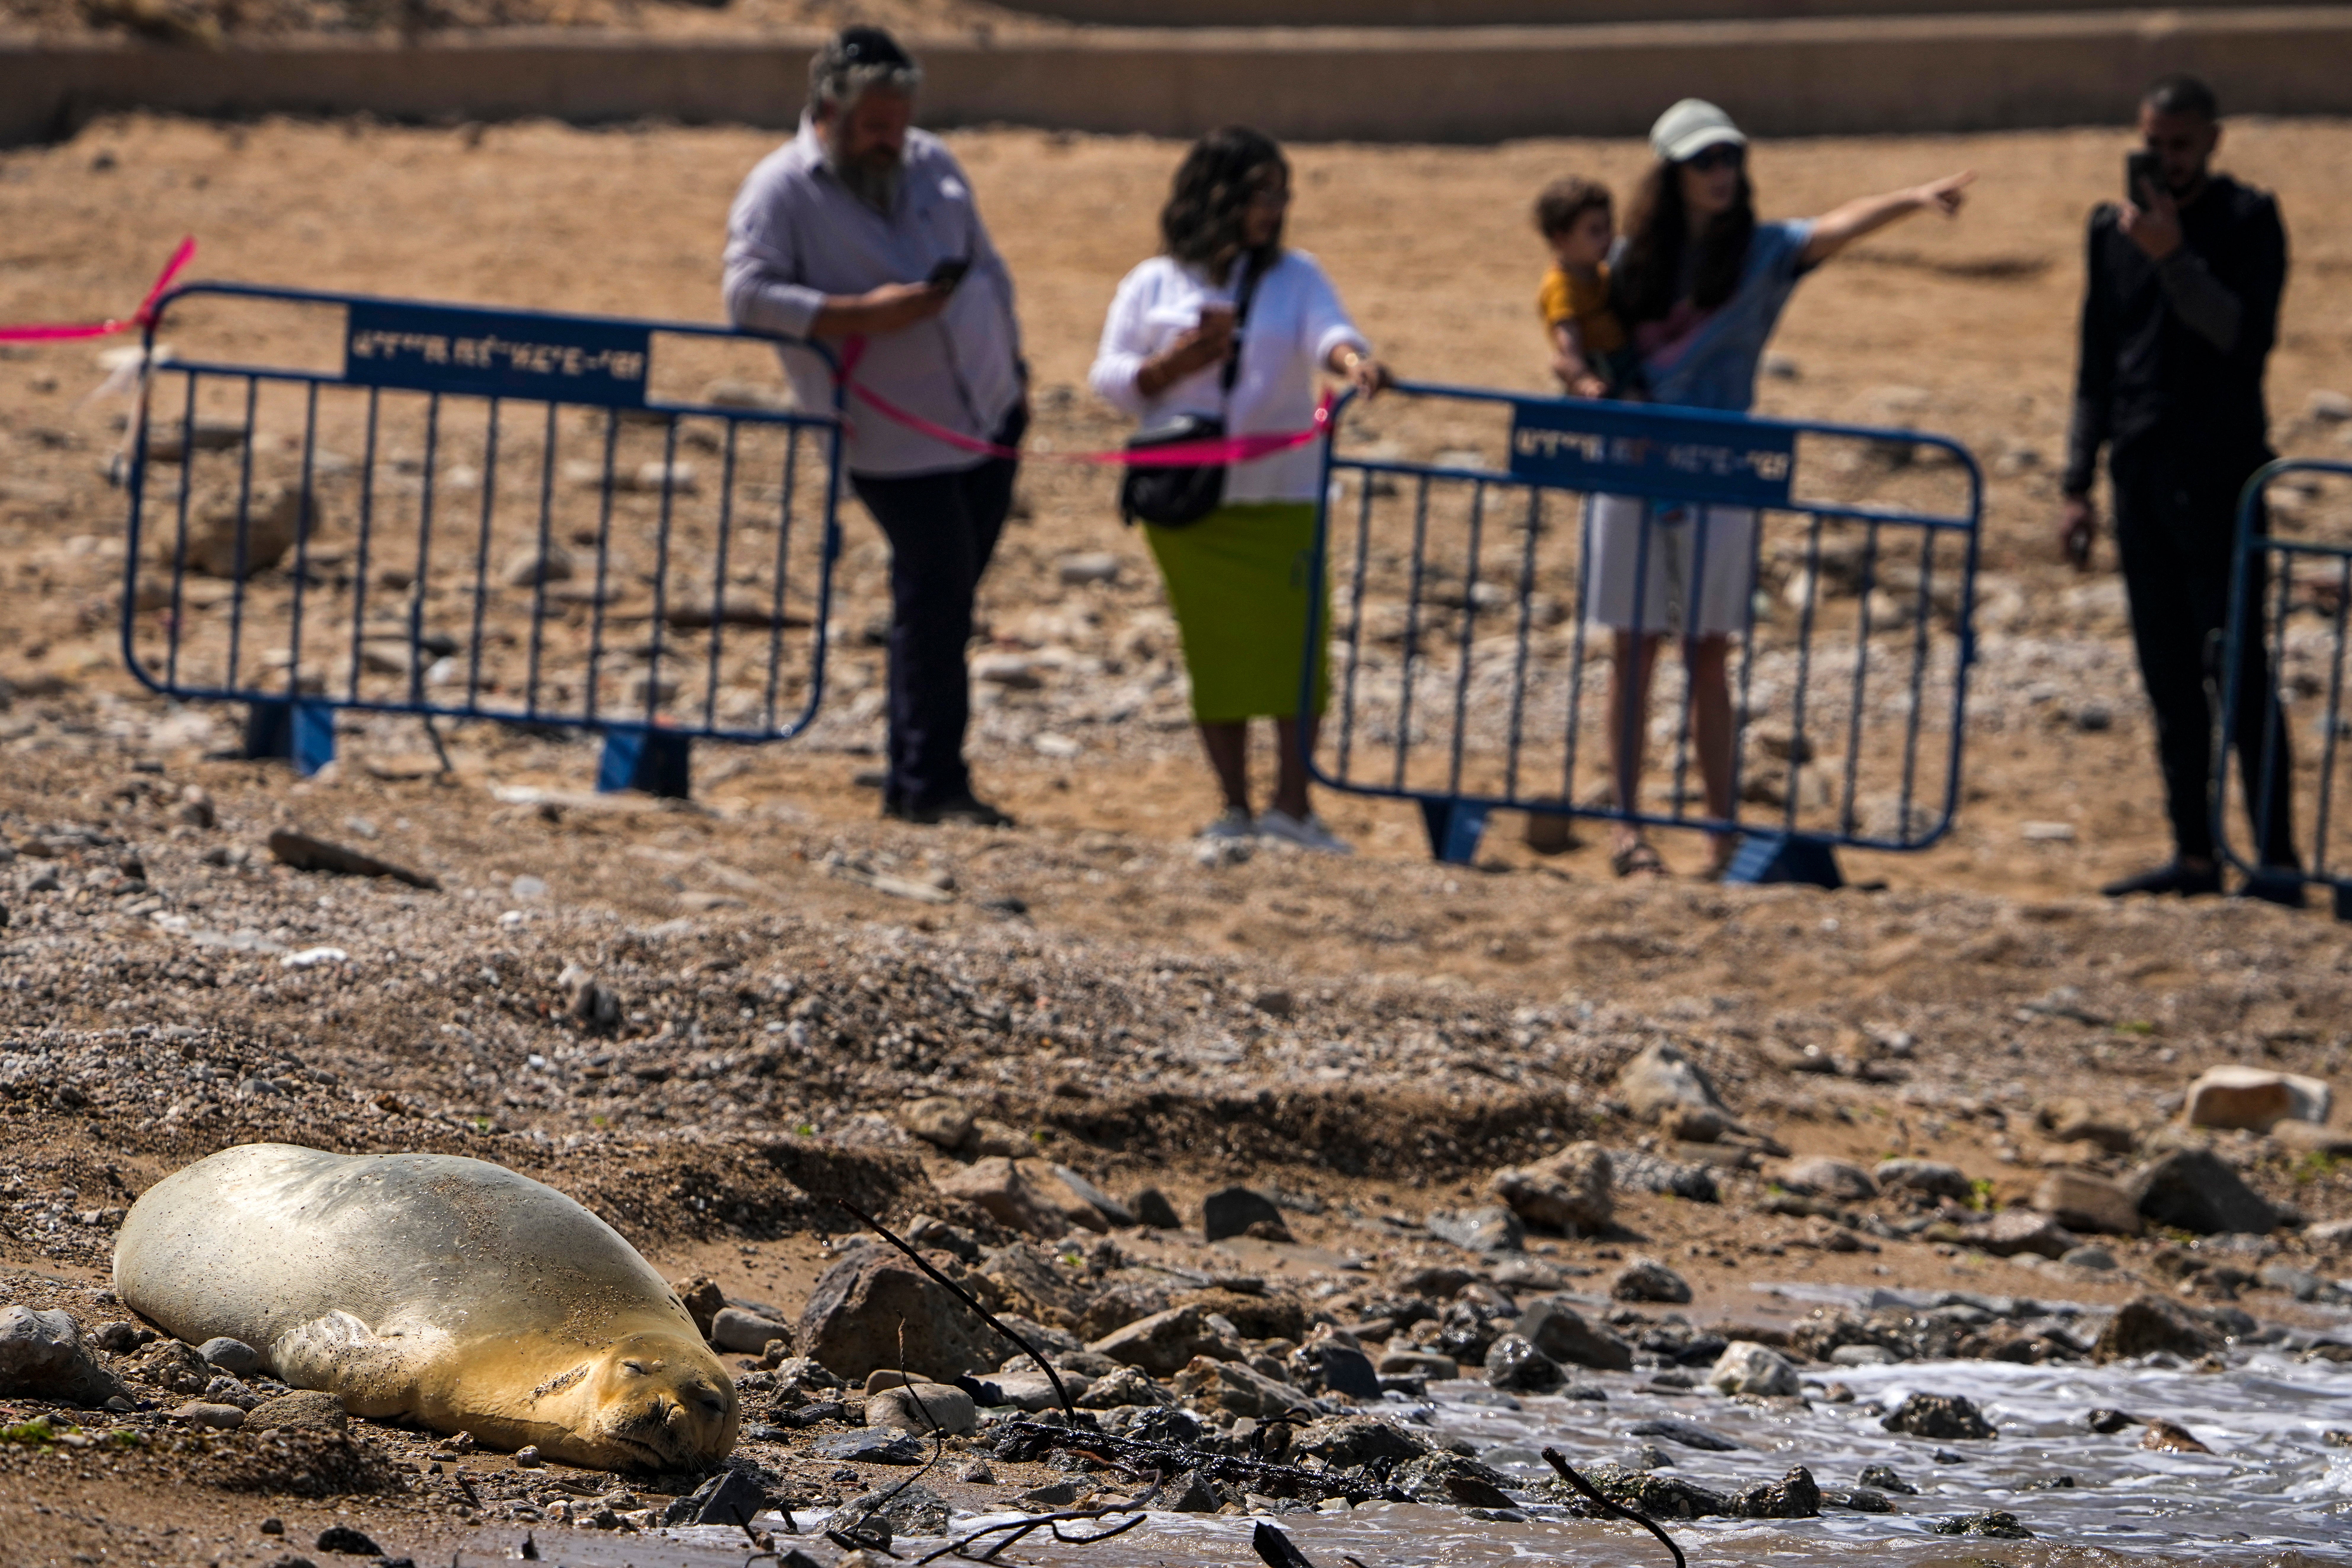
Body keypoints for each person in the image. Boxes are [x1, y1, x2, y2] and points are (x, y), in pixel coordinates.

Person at [1594, 98, 1971, 878]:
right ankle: (1625, 827)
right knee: (1631, 650)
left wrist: (1907, 199)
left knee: (1708, 654)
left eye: (1729, 157)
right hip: (1634, 469)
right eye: (1704, 162)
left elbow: (1833, 226)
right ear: (1671, 174)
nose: (1721, 173)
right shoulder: (1629, 260)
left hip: (1720, 468)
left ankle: (1719, 831)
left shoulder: (1761, 253)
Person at [722, 26, 1026, 827]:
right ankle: (930, 784)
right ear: (829, 111)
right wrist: (860, 316)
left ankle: (912, 770)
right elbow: (746, 297)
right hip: (891, 441)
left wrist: (1013, 360)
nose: (893, 133)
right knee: (936, 594)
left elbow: (986, 264)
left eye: (900, 116)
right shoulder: (780, 188)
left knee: (945, 600)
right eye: (876, 121)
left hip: (989, 416)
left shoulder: (932, 161)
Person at [1090, 126, 1392, 854]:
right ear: (1215, 193)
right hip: (1190, 504)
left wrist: (1356, 362)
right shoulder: (1154, 282)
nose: (1273, 208)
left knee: (1297, 653)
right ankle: (1233, 804)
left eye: (1279, 194)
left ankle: (1293, 806)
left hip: (1283, 497)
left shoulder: (1296, 275)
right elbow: (1111, 381)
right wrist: (1175, 363)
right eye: (1260, 192)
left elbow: (1330, 334)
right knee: (1216, 653)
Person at [2062, 75, 2299, 903]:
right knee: (2166, 677)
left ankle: (2274, 859)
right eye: (2150, 143)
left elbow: (2242, 336)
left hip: (2223, 475)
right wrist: (2073, 481)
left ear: (2209, 141)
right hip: (2138, 472)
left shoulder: (2245, 219)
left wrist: (2176, 261)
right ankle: (2193, 853)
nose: (2162, 160)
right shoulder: (2108, 230)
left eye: (2178, 144)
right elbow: (2094, 362)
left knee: (2237, 670)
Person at [1534, 176, 1636, 399]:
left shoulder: (1602, 272)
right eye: (1595, 231)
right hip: (1601, 370)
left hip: (1625, 359)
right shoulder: (1561, 286)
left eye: (1609, 227)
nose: (1608, 238)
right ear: (1562, 240)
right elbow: (1568, 343)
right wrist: (1583, 379)